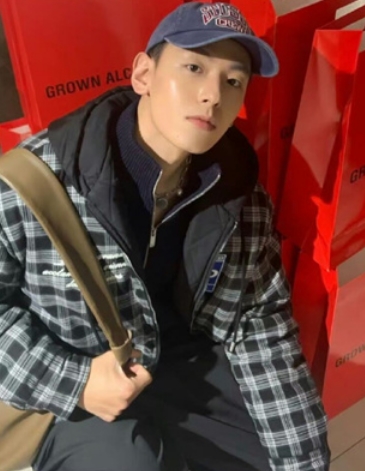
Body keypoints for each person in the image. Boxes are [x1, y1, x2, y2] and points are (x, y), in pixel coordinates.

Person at [0, 2, 330, 470]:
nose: (212, 95)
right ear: (143, 74)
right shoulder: (31, 184)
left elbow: (259, 319)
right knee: (126, 462)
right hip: (80, 377)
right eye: (194, 68)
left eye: (233, 81)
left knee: (273, 455)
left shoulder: (236, 192)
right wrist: (75, 380)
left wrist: (303, 460)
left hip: (179, 361)